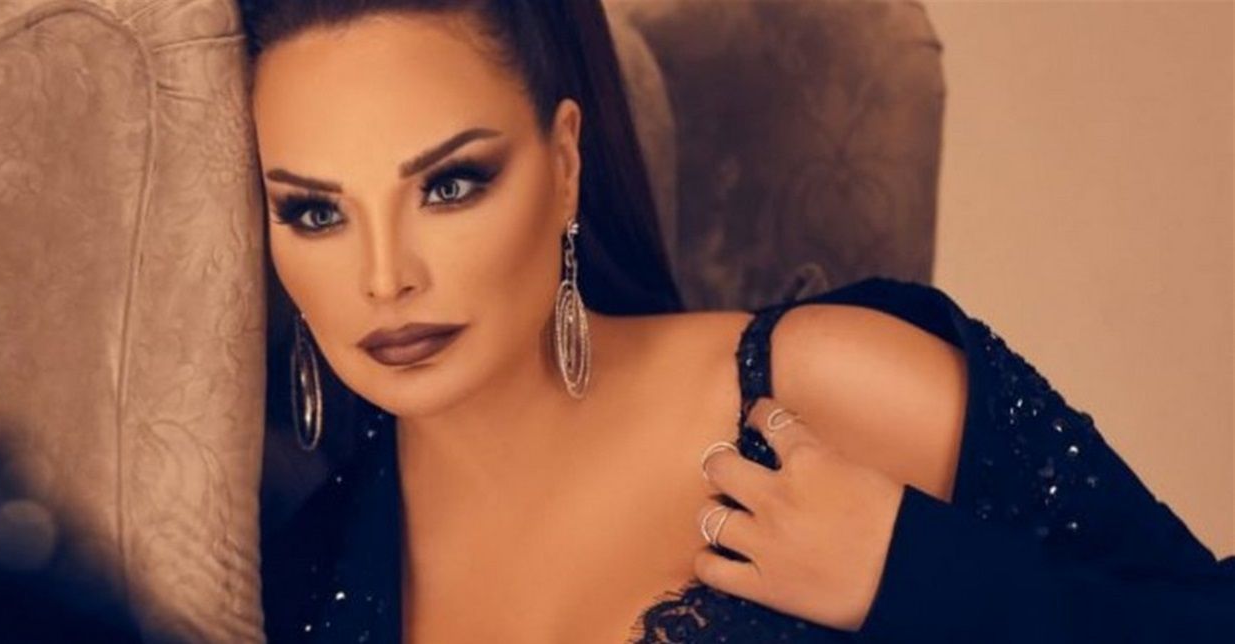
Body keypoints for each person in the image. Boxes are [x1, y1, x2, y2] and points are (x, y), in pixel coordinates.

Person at [241, 1, 1235, 642]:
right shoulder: (302, 580)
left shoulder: (816, 393)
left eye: (451, 184)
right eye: (315, 212)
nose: (383, 277)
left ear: (565, 163)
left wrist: (912, 571)